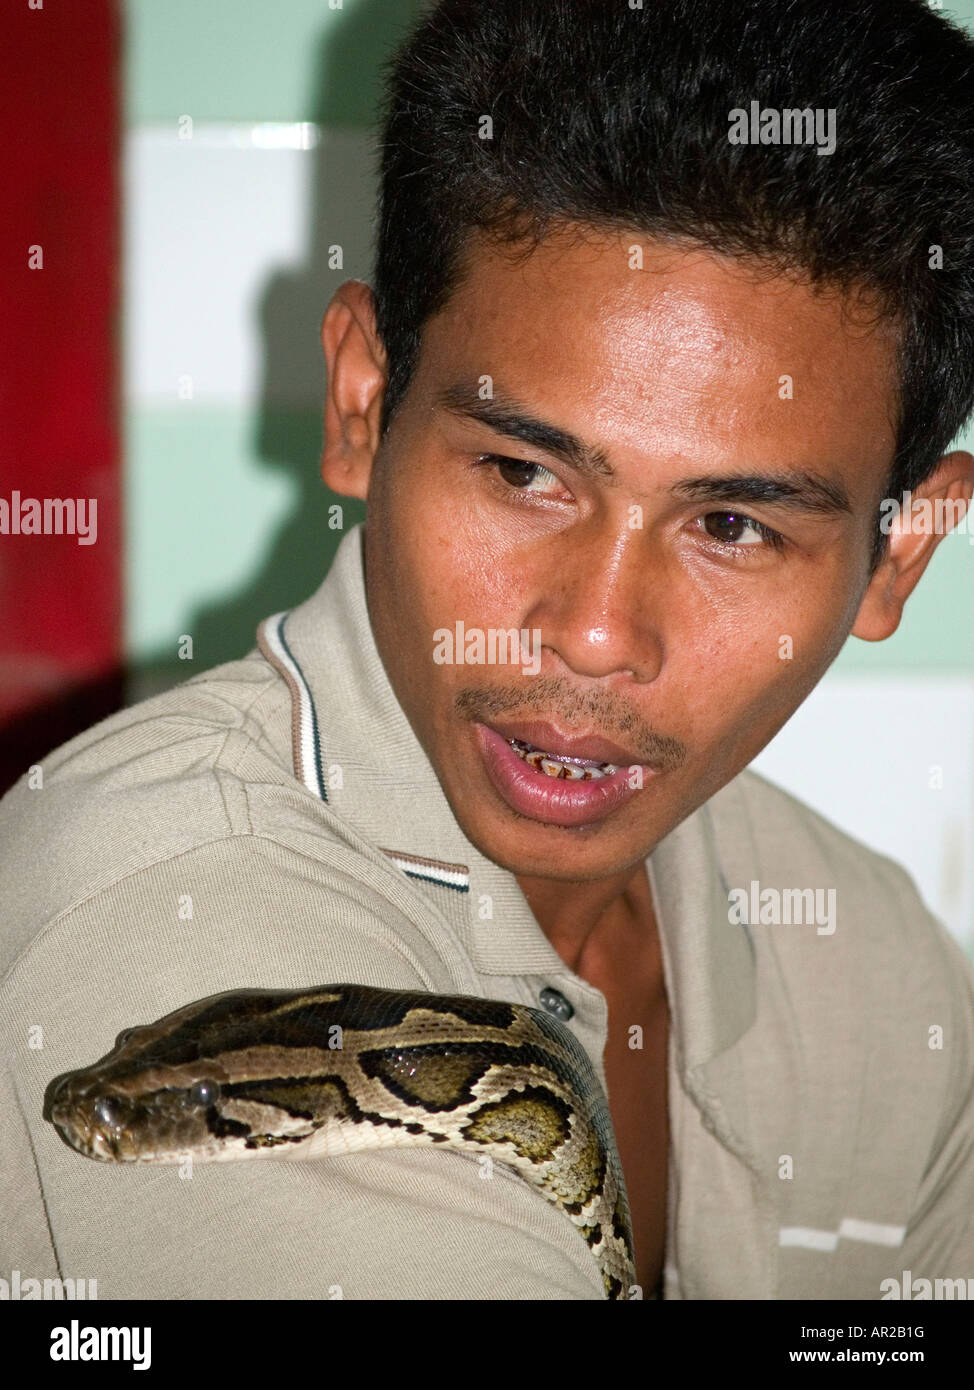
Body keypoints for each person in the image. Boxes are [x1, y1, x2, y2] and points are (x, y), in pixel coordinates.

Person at [2, 0, 973, 1301]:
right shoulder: (173, 912)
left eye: (729, 521)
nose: (592, 631)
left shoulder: (865, 948)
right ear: (359, 405)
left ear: (899, 551)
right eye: (524, 470)